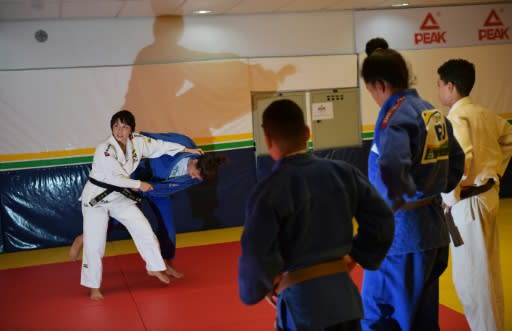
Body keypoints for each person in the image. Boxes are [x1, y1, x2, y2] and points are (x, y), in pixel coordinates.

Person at [238, 99, 395, 331]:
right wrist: (355, 256)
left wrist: (263, 285)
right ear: (307, 132)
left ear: (268, 139)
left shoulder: (268, 191)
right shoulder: (344, 173)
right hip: (345, 301)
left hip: (302, 307)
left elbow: (256, 255)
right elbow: (382, 220)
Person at [360, 48, 465, 331]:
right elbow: (457, 162)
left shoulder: (394, 117)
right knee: (422, 319)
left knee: (381, 317)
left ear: (380, 85)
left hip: (399, 237)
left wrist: (382, 219)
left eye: (371, 90)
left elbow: (392, 171)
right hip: (431, 231)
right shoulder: (431, 113)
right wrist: (432, 189)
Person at [79, 109, 202, 300]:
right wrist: (139, 184)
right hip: (97, 199)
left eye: (124, 127)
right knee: (96, 245)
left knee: (144, 229)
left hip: (118, 198)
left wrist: (187, 150)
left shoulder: (136, 142)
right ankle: (94, 286)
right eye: (116, 126)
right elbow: (115, 178)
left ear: (131, 129)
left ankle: (154, 268)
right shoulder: (104, 150)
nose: (119, 131)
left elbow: (160, 146)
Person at [70, 132, 227, 279]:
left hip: (159, 192)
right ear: (194, 160)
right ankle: (82, 238)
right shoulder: (183, 143)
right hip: (138, 180)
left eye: (198, 178)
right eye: (195, 173)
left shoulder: (200, 173)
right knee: (113, 219)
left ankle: (167, 264)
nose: (194, 178)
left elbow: (178, 184)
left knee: (168, 229)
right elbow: (151, 138)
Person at [437, 59, 512, 331]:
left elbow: (462, 159)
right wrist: (495, 173)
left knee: (472, 280)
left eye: (440, 85)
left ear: (451, 86)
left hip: (468, 204)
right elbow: (508, 139)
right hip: (487, 196)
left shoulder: (457, 118)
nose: (439, 91)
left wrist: (449, 198)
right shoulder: (485, 113)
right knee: (488, 272)